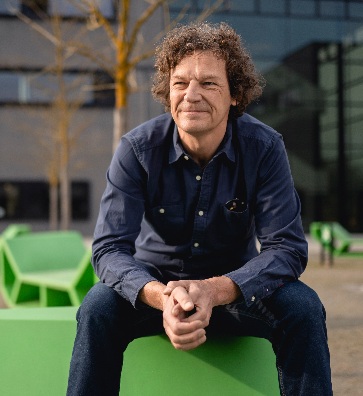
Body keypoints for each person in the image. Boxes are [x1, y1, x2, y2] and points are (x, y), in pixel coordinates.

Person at [67, 22, 332, 396]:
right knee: (97, 306)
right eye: (180, 83)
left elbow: (287, 248)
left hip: (236, 292)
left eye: (208, 83)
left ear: (235, 95)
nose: (191, 95)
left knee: (303, 308)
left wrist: (214, 290)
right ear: (168, 92)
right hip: (156, 292)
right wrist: (162, 297)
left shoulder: (264, 147)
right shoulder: (137, 149)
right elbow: (109, 249)